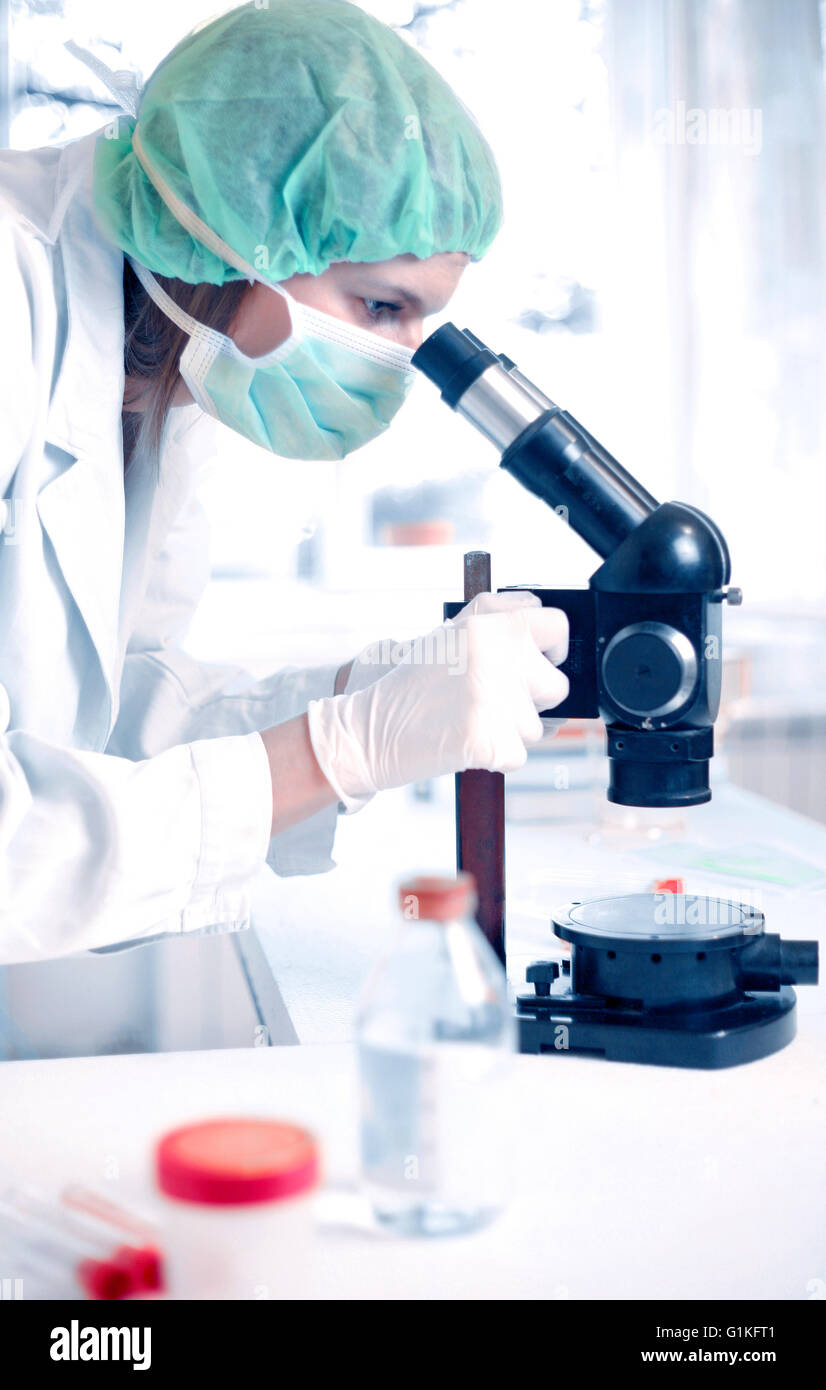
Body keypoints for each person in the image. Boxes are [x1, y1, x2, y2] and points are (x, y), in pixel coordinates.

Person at [0, 0, 568, 963]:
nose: (401, 362)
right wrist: (334, 751)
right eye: (381, 306)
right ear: (242, 230)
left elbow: (99, 725)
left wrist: (362, 695)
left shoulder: (166, 374)